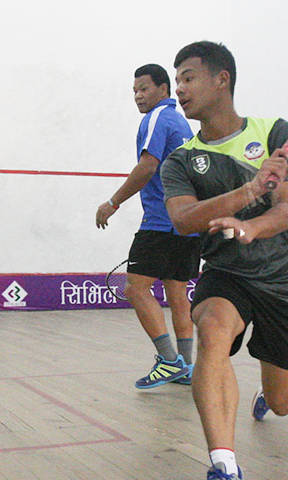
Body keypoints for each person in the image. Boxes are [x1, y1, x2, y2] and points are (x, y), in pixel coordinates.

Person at [160, 41, 288, 480]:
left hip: (282, 276)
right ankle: (225, 472)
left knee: (285, 402)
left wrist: (254, 224)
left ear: (221, 79)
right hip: (226, 273)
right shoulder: (181, 160)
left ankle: (270, 393)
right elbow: (184, 219)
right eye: (176, 79)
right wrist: (246, 194)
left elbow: (285, 212)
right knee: (211, 330)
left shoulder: (276, 133)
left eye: (187, 77)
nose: (178, 89)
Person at [96, 64, 201, 389]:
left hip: (160, 223)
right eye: (134, 91)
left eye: (144, 88)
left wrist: (112, 202)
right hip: (188, 223)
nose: (139, 96)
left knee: (136, 288)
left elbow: (147, 166)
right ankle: (185, 366)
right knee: (177, 292)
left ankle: (169, 361)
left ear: (163, 89)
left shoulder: (157, 118)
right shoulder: (182, 122)